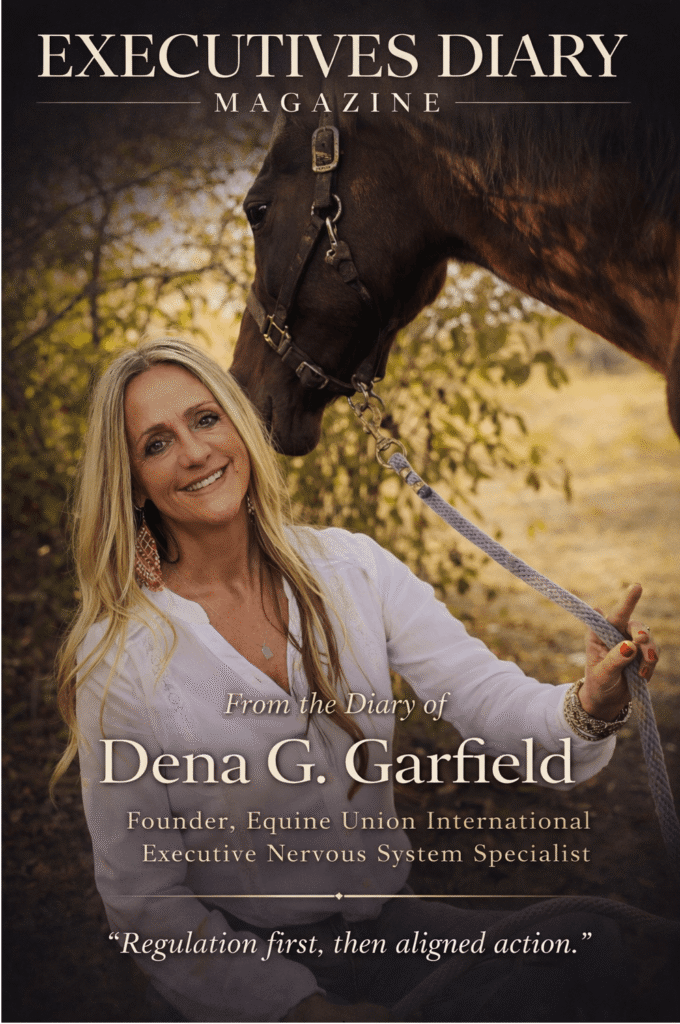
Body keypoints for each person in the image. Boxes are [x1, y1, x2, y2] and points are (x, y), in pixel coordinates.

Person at [53, 338, 659, 1022]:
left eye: (206, 418)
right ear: (133, 480)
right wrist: (304, 1011)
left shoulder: (352, 569)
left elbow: (484, 694)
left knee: (588, 948)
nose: (195, 452)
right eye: (157, 444)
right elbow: (144, 901)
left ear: (239, 426)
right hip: (241, 963)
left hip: (389, 933)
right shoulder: (120, 656)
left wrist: (589, 703)